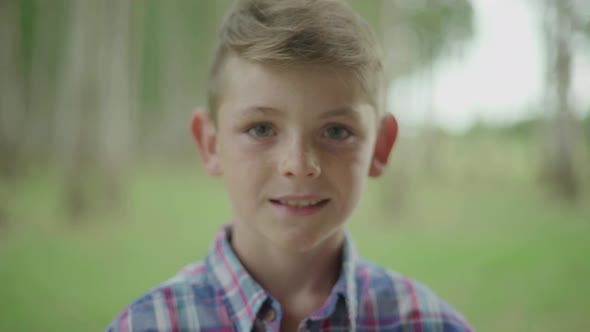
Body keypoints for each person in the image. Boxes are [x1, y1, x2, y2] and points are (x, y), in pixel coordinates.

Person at [107, 0, 473, 331]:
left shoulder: (431, 323)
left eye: (335, 131)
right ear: (210, 144)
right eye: (261, 129)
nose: (298, 165)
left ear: (380, 146)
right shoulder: (147, 324)